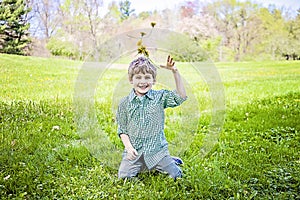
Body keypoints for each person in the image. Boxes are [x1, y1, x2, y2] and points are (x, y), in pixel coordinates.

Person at [116, 55, 187, 180]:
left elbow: (180, 97)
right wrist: (129, 147)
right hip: (135, 151)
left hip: (157, 151)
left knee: (176, 176)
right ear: (131, 80)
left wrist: (175, 71)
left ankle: (167, 161)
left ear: (153, 80)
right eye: (138, 77)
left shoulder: (160, 97)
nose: (143, 82)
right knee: (124, 176)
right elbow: (122, 129)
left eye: (147, 77)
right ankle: (148, 164)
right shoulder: (124, 103)